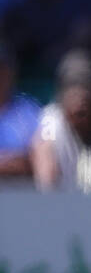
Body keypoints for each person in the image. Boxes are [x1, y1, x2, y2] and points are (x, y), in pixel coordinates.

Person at [30, 51, 91, 192]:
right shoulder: (49, 125)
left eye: (87, 88)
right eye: (73, 89)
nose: (80, 102)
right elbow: (46, 187)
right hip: (60, 208)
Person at [0, 41, 41, 179]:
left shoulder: (29, 111)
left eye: (2, 69)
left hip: (22, 195)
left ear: (12, 73)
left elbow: (39, 161)